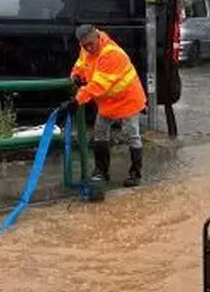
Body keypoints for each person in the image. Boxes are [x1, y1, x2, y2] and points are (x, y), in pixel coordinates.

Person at [59, 24, 147, 187]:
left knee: (131, 135)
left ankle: (136, 174)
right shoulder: (86, 48)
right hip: (108, 101)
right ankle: (101, 172)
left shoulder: (111, 54)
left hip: (128, 99)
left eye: (91, 44)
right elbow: (80, 66)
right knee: (100, 133)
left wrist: (77, 101)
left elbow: (98, 86)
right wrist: (75, 76)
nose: (88, 48)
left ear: (98, 37)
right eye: (84, 45)